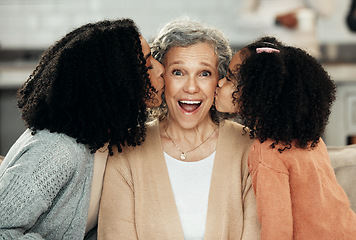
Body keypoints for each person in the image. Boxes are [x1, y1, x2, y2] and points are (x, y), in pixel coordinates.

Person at [0, 18, 164, 239]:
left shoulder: (105, 139)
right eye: (147, 63)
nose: (161, 69)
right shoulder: (58, 151)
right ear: (118, 81)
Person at [98, 18, 260, 239]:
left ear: (219, 81)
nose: (191, 87)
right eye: (178, 72)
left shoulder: (250, 147)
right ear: (161, 78)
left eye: (204, 73)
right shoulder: (126, 149)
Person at [215, 36, 356, 239]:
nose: (220, 82)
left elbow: (277, 230)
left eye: (229, 78)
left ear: (257, 93)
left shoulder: (267, 154)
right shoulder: (309, 139)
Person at [234, 0, 334, 58]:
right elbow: (241, 18)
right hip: (270, 54)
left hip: (306, 52)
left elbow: (326, 11)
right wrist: (276, 19)